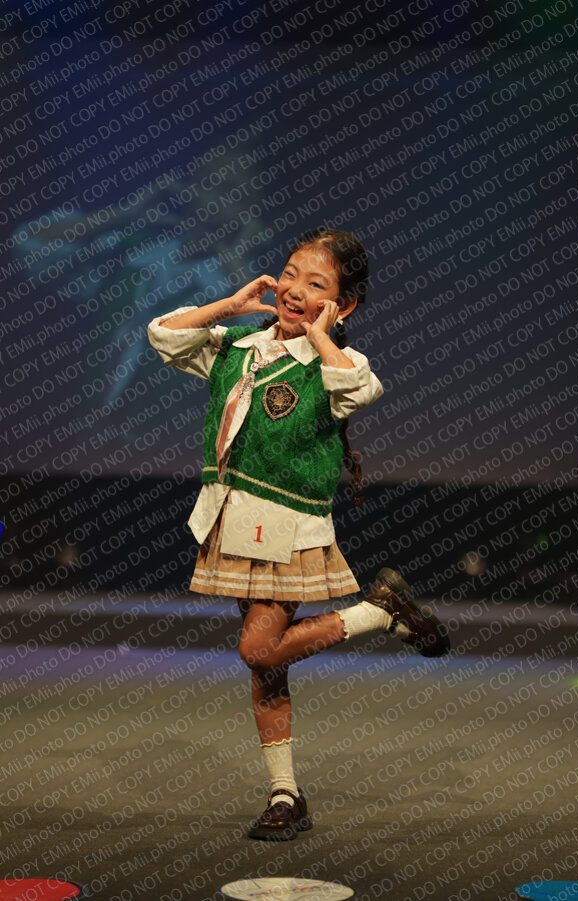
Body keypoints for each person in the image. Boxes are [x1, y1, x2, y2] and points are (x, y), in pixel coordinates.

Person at [147, 227, 449, 842]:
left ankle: (378, 612)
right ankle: (285, 793)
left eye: (316, 284)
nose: (294, 290)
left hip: (286, 529)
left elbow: (359, 389)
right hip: (230, 520)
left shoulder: (333, 364)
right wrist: (231, 305)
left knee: (259, 651)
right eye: (290, 274)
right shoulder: (238, 346)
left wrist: (320, 335)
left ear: (343, 304)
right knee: (267, 670)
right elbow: (165, 335)